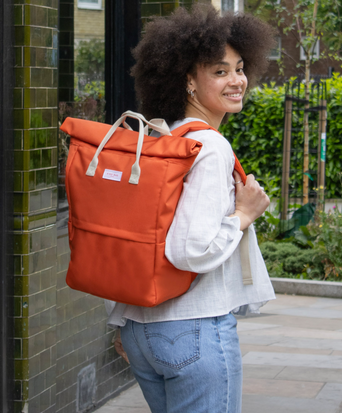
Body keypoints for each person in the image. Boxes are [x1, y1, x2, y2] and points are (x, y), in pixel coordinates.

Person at [106, 5, 276, 413]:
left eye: (239, 68)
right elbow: (189, 250)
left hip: (142, 329)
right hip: (195, 328)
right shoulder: (211, 147)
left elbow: (139, 234)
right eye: (219, 71)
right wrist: (243, 214)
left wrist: (121, 322)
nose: (237, 81)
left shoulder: (164, 138)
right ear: (187, 80)